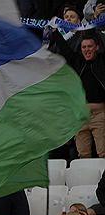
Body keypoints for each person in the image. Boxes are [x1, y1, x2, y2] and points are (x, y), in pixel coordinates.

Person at [51, 26, 105, 158]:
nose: (87, 49)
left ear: (97, 47)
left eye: (90, 46)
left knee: (103, 153)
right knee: (83, 155)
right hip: (80, 116)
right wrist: (55, 31)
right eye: (84, 47)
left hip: (99, 115)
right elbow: (65, 50)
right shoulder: (77, 63)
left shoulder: (102, 62)